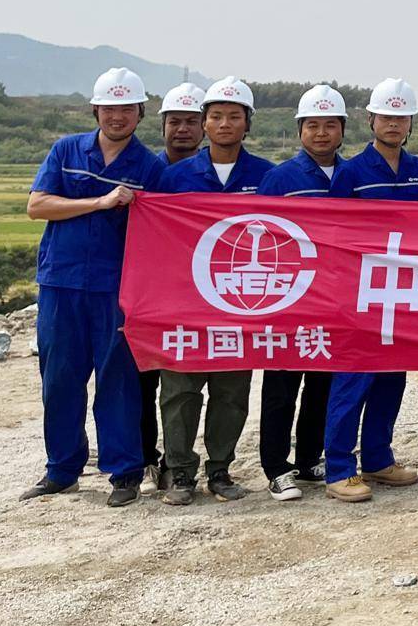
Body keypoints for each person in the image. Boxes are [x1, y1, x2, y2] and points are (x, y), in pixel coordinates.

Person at [20, 68, 161, 508]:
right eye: (109, 108)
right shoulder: (65, 150)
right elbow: (37, 205)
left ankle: (124, 472)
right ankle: (62, 470)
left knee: (117, 381)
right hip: (61, 283)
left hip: (117, 289)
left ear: (139, 113)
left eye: (126, 108)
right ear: (95, 110)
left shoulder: (150, 167)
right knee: (59, 379)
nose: (117, 116)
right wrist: (99, 202)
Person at [153, 77, 273, 505]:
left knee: (231, 391)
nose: (225, 124)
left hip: (242, 300)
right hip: (185, 301)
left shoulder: (266, 177)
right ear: (204, 124)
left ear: (247, 124)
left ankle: (220, 469)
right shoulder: (175, 177)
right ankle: (179, 472)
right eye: (216, 116)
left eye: (234, 117)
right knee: (180, 391)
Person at [321, 78, 418, 503]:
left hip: (402, 290)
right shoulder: (350, 171)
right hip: (360, 289)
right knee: (353, 379)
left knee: (392, 379)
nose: (393, 124)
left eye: (401, 117)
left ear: (410, 123)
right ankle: (338, 468)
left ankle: (377, 458)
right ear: (370, 120)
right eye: (386, 116)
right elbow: (332, 231)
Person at [254, 83, 348, 501]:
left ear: (343, 129)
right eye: (313, 125)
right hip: (290, 297)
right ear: (299, 130)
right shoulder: (280, 178)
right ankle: (276, 466)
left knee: (322, 384)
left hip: (336, 296)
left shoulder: (352, 176)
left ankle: (311, 457)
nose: (322, 133)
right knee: (281, 385)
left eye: (330, 125)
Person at [139, 81, 205, 486]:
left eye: (191, 121)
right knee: (144, 383)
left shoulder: (208, 173)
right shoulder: (149, 172)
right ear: (162, 125)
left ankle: (184, 464)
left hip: (197, 297)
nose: (182, 129)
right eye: (174, 121)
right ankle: (148, 457)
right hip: (150, 295)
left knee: (187, 388)